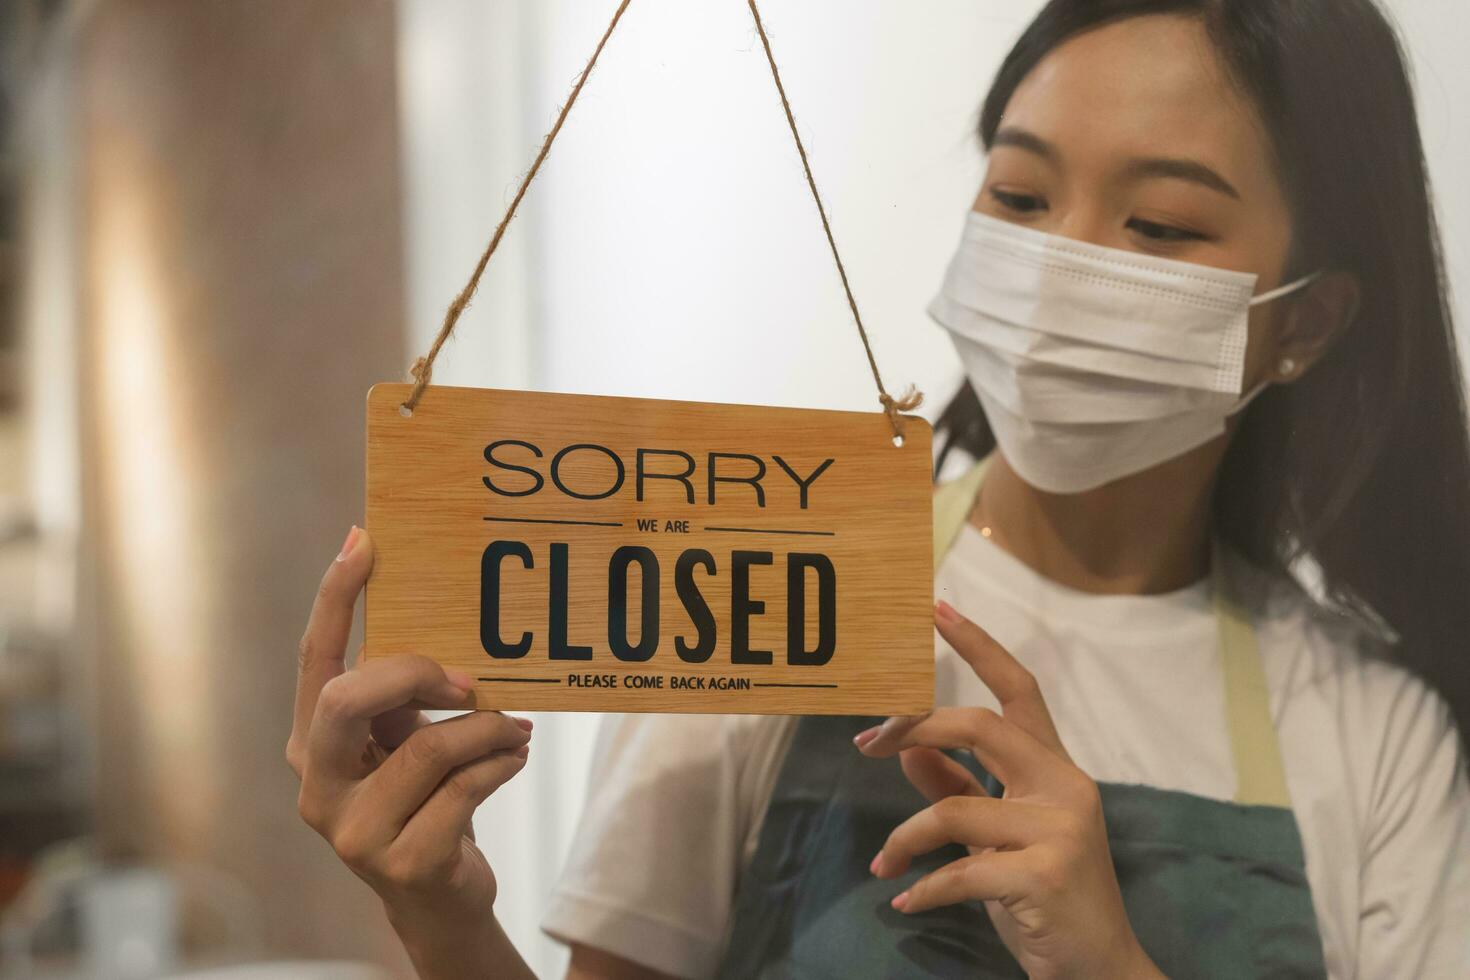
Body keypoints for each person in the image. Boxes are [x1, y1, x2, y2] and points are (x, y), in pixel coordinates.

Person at [287, 0, 1470, 976]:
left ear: (1304, 322)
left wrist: (1108, 959)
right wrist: (439, 915)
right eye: (1018, 196)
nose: (1060, 262)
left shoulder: (1375, 732)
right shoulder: (768, 578)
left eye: (1159, 224)